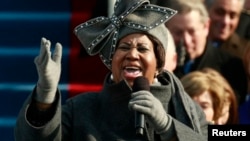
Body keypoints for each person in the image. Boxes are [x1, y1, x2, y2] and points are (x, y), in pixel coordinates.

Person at [14, 0, 208, 140]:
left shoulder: (187, 110)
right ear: (111, 61)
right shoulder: (81, 109)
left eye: (142, 48)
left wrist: (167, 126)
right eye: (124, 48)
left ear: (158, 64)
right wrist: (45, 94)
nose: (132, 55)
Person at [163, 0, 248, 105]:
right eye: (178, 32)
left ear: (206, 27)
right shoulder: (160, 67)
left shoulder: (232, 68)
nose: (186, 40)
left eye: (192, 31)